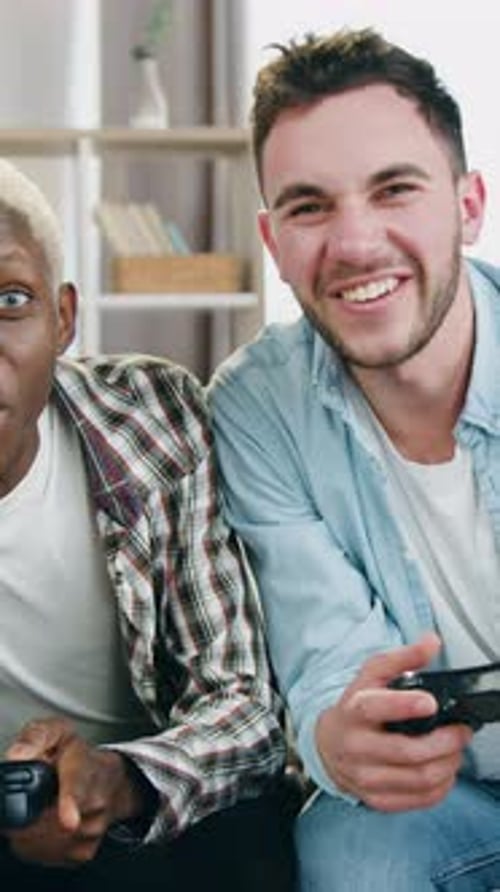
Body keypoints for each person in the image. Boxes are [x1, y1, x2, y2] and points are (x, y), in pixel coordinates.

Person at [207, 27, 500, 890]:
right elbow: (323, 655)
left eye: (394, 190)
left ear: (469, 204)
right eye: (310, 206)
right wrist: (338, 738)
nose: (356, 243)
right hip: (451, 804)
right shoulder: (257, 405)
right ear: (272, 239)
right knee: (351, 845)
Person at [0, 158, 296, 892]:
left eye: (9, 299)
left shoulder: (155, 420)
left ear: (64, 318)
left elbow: (243, 706)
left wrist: (121, 779)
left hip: (154, 806)